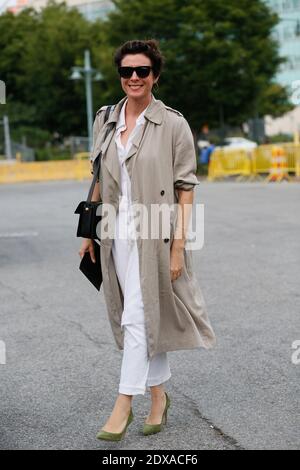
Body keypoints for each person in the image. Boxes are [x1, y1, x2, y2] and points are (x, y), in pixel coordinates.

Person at [79, 39, 216, 441]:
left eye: (142, 71)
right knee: (134, 312)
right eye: (127, 71)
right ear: (120, 76)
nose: (134, 78)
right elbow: (98, 181)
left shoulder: (173, 123)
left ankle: (123, 404)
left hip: (155, 233)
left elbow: (185, 188)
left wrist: (178, 246)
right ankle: (158, 397)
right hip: (114, 232)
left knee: (137, 315)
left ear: (155, 75)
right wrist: (87, 233)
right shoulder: (105, 118)